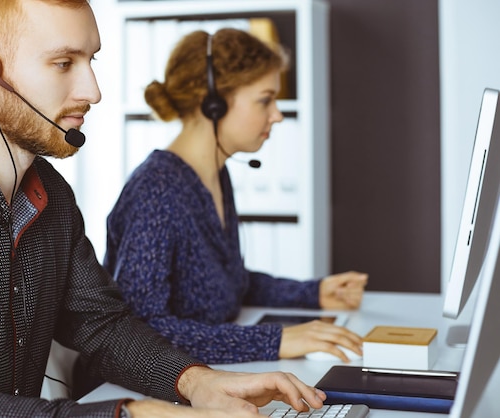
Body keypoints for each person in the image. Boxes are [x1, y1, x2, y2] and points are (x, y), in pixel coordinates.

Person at [0, 1, 328, 417]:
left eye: (91, 61)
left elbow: (102, 324)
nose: (93, 91)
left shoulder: (52, 196)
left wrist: (197, 381)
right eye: (63, 63)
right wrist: (133, 414)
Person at [103, 28, 369, 365]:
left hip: (203, 375)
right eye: (265, 99)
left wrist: (314, 293)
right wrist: (274, 340)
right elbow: (140, 330)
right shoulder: (155, 191)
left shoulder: (213, 174)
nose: (277, 114)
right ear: (212, 105)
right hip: (141, 394)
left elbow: (232, 284)